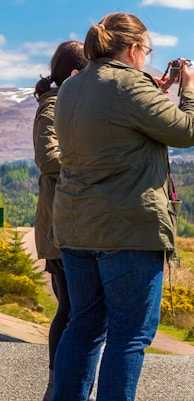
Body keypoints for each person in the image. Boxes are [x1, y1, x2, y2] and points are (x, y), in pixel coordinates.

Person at [51, 12, 194, 400]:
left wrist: (154, 89)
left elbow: (111, 119)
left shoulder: (72, 87)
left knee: (83, 325)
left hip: (75, 228)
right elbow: (187, 131)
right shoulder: (129, 86)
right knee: (129, 335)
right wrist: (191, 90)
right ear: (135, 49)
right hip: (128, 231)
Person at [32, 40, 89, 401]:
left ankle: (63, 383)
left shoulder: (69, 101)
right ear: (73, 74)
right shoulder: (53, 105)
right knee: (69, 308)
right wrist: (94, 161)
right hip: (59, 224)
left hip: (71, 220)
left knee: (74, 309)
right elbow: (48, 157)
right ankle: (57, 383)